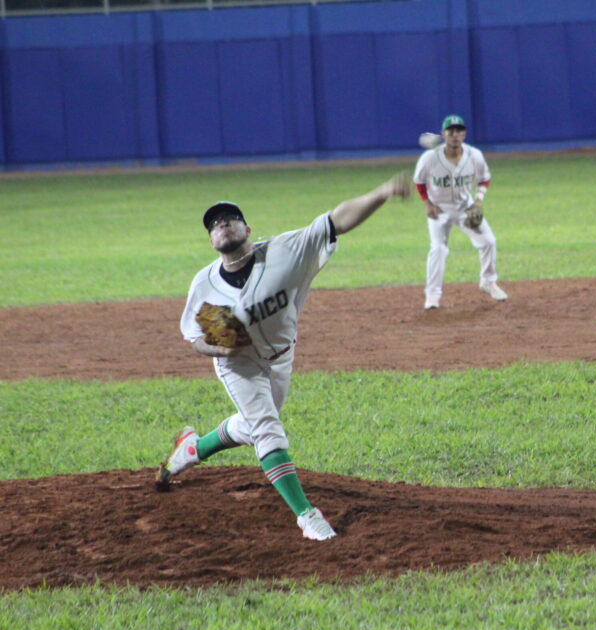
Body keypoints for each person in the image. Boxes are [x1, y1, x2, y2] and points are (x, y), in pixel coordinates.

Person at [156, 173, 411, 541]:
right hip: (238, 365)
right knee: (267, 429)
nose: (221, 224)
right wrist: (219, 348)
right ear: (211, 241)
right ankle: (308, 517)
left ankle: (192, 449)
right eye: (214, 225)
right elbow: (195, 338)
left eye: (229, 219)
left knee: (253, 425)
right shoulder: (205, 284)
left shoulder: (285, 253)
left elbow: (336, 220)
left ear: (247, 229)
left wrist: (383, 191)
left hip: (281, 357)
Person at [414, 114, 507, 310]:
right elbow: (419, 182)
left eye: (459, 131)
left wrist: (479, 200)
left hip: (466, 206)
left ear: (464, 134)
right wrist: (427, 204)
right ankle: (432, 296)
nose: (455, 135)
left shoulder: (474, 155)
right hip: (439, 208)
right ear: (443, 134)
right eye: (451, 131)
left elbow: (484, 178)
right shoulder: (430, 158)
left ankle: (488, 282)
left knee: (489, 241)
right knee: (438, 249)